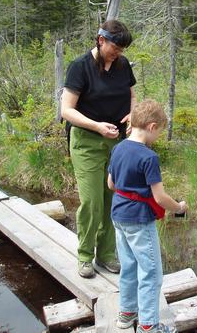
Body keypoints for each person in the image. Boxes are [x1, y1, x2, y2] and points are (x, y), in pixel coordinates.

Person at [61, 20, 136, 278]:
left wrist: (132, 114)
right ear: (101, 40)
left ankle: (105, 255)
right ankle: (85, 256)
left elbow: (131, 94)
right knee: (92, 201)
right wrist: (97, 126)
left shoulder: (123, 65)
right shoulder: (79, 68)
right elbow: (67, 110)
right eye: (116, 47)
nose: (119, 53)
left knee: (111, 199)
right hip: (86, 141)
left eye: (122, 49)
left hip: (115, 142)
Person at [107, 100, 187, 332]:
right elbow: (160, 198)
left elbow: (111, 184)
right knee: (151, 273)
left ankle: (126, 314)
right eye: (159, 132)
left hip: (118, 216)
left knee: (129, 266)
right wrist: (179, 207)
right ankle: (149, 326)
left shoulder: (118, 148)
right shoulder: (148, 157)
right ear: (152, 126)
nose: (158, 137)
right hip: (140, 221)